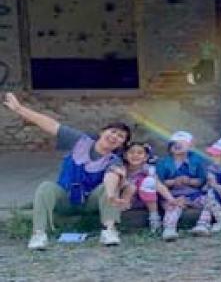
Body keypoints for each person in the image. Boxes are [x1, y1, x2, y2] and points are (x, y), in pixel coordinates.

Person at [4, 93, 130, 250]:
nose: (115, 137)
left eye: (120, 136)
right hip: (66, 196)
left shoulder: (114, 160)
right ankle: (39, 234)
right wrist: (19, 109)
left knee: (108, 187)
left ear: (121, 144)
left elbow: (111, 177)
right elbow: (50, 124)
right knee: (46, 187)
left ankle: (109, 230)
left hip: (89, 202)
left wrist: (110, 195)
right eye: (113, 132)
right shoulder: (80, 141)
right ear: (102, 132)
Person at [104, 141, 180, 234]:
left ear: (146, 157)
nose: (135, 155)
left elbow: (158, 185)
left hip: (145, 200)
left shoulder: (147, 169)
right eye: (131, 152)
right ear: (125, 155)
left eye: (140, 153)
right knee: (131, 187)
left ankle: (154, 217)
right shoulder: (122, 168)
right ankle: (121, 209)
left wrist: (171, 199)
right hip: (126, 199)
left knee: (150, 181)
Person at [156, 131, 207, 241]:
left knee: (210, 201)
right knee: (173, 207)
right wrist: (174, 181)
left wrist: (188, 181)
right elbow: (160, 182)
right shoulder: (163, 162)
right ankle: (169, 229)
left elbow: (201, 180)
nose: (177, 145)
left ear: (190, 146)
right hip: (172, 195)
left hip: (193, 194)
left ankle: (202, 224)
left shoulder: (197, 160)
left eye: (182, 143)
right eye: (174, 143)